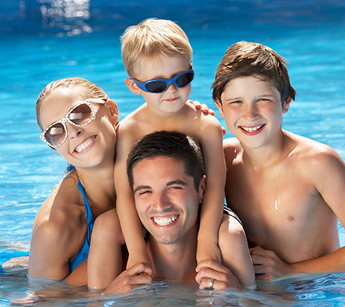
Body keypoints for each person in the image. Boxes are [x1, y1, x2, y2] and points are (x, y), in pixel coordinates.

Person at [212, 41, 345, 281]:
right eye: (236, 102)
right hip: (254, 292)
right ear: (219, 107)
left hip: (317, 288)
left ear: (286, 103)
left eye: (262, 100)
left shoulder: (318, 163)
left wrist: (290, 271)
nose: (249, 115)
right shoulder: (222, 159)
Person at [114, 18, 228, 287]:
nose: (173, 90)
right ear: (134, 86)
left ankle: (248, 297)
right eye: (157, 85)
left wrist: (206, 242)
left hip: (198, 213)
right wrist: (136, 252)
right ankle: (99, 296)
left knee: (232, 234)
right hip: (153, 216)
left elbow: (215, 187)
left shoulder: (206, 125)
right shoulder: (129, 130)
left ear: (191, 70)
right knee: (107, 228)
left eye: (182, 78)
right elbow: (124, 193)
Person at [104, 131, 255, 293]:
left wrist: (238, 297)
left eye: (174, 187)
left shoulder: (230, 262)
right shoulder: (116, 265)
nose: (160, 205)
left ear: (202, 189)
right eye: (145, 192)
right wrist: (108, 299)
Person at [28, 77, 124, 290]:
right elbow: (44, 300)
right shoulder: (54, 228)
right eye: (56, 132)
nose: (72, 132)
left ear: (111, 111)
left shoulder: (152, 153)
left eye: (80, 114)